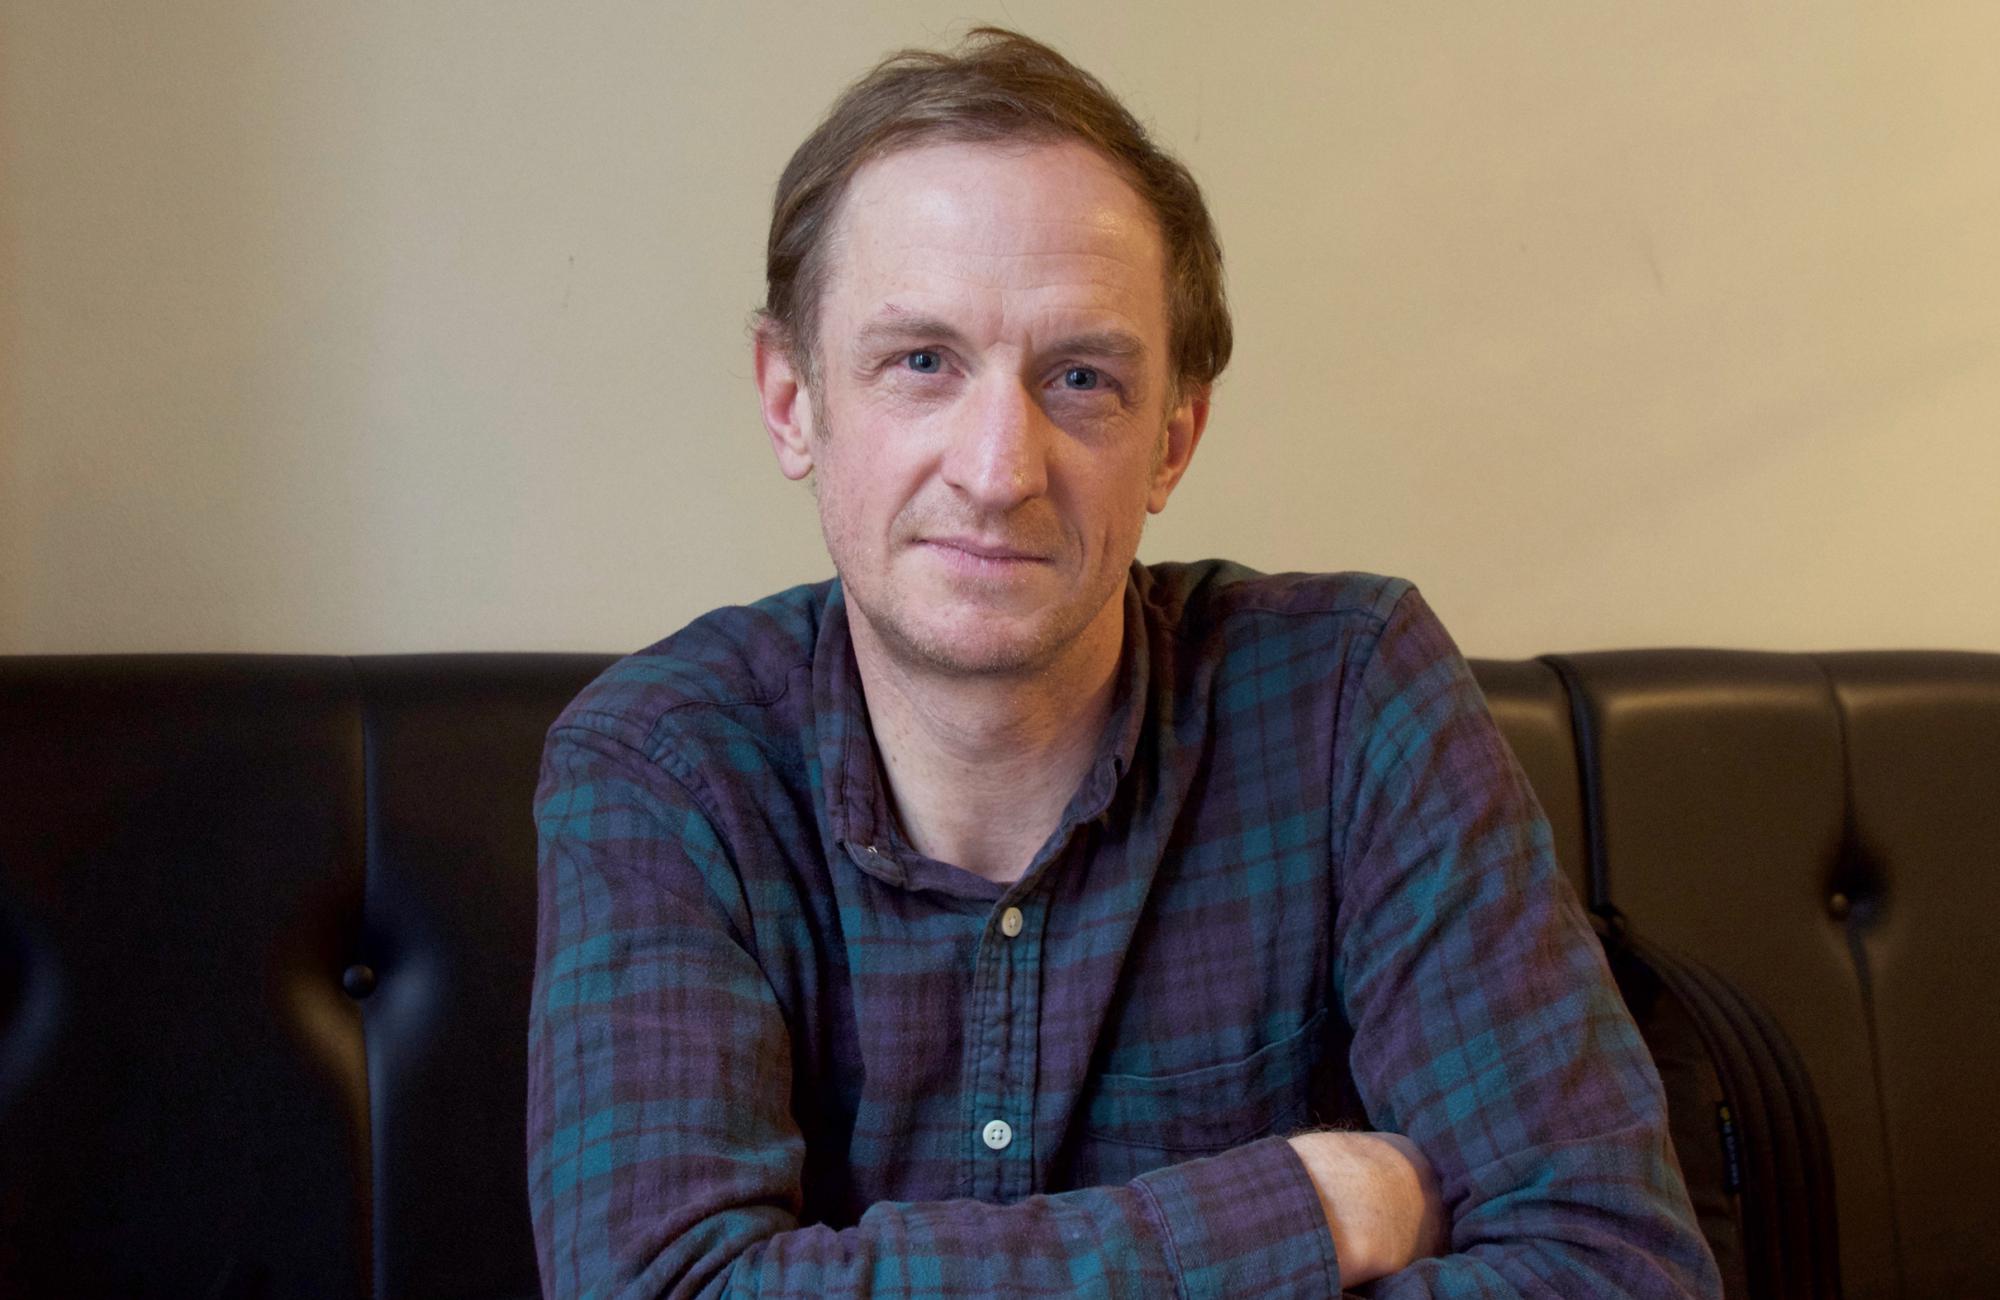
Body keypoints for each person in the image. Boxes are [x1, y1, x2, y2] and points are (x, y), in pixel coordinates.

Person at [527, 27, 1719, 1298]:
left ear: (1171, 440)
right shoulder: (663, 765)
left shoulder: (1348, 699)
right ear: (792, 401)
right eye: (921, 362)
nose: (998, 470)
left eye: (1080, 377)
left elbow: (1615, 1266)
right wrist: (1300, 1208)